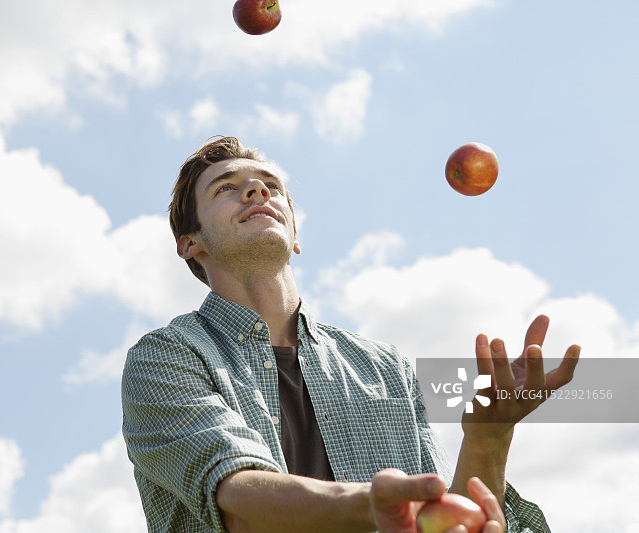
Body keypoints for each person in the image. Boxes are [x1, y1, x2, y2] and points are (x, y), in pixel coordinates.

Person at [121, 136, 580, 533]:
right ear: (189, 243)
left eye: (271, 186)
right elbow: (241, 508)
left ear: (295, 233)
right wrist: (372, 507)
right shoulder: (167, 357)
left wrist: (488, 438)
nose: (256, 190)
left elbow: (441, 520)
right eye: (226, 188)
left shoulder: (384, 368)